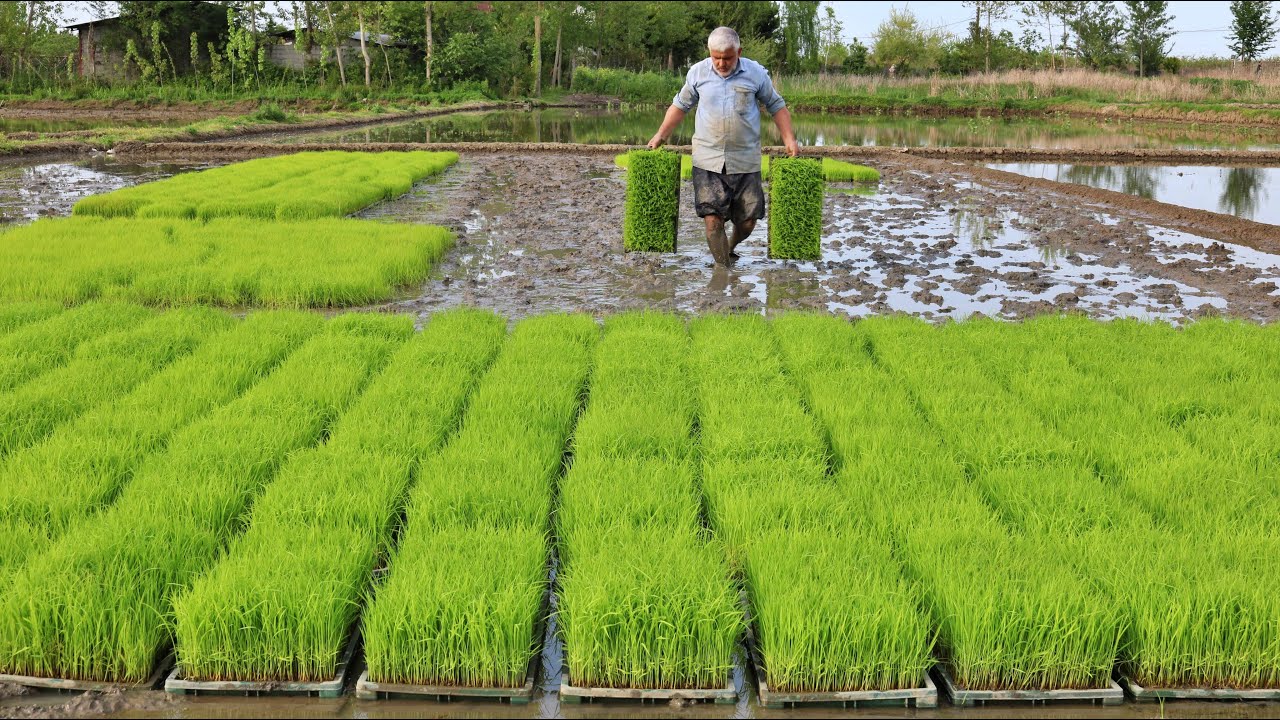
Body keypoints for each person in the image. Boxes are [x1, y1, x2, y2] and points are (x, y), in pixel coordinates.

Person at [647, 26, 798, 266]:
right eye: (715, 57)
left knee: (748, 222)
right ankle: (722, 269)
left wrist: (789, 139)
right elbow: (680, 106)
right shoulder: (698, 73)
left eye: (726, 57)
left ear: (739, 51)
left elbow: (776, 106)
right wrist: (660, 135)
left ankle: (730, 247)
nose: (720, 63)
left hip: (745, 159)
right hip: (708, 158)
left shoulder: (756, 73)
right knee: (712, 219)